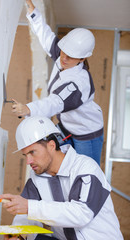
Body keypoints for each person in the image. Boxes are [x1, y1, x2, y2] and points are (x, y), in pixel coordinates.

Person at [0, 116, 123, 240]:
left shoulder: (85, 169)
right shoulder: (37, 176)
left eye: (32, 152)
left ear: (51, 145)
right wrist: (18, 233)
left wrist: (30, 207)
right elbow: (25, 213)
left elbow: (81, 214)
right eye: (25, 155)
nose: (28, 161)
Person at [11, 0, 104, 166]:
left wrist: (28, 109)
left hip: (86, 134)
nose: (64, 58)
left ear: (82, 58)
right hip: (68, 126)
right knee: (48, 156)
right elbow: (46, 36)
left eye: (71, 55)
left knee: (85, 174)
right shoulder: (64, 56)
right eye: (63, 51)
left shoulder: (79, 83)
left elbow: (56, 102)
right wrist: (32, 10)